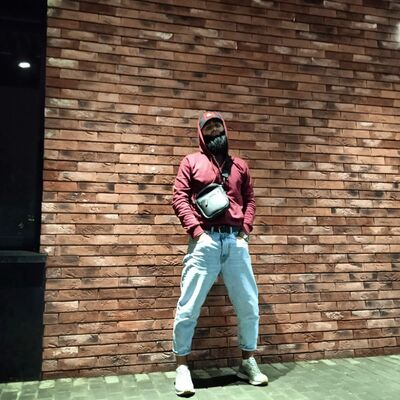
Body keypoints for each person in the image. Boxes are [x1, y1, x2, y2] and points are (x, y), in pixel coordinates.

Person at [171, 111, 268, 395]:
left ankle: (247, 362)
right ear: (201, 133)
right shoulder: (191, 161)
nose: (215, 131)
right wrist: (197, 233)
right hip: (205, 241)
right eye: (209, 127)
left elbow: (250, 199)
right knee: (189, 306)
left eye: (218, 126)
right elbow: (179, 197)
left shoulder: (239, 165)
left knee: (248, 305)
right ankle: (182, 367)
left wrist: (245, 230)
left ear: (225, 130)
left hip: (235, 241)